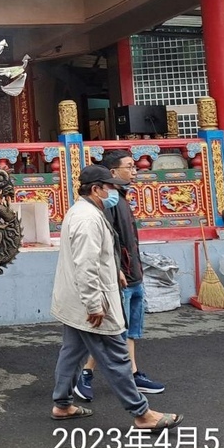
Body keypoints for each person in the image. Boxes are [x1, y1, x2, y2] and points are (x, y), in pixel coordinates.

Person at [51, 164, 183, 432]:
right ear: (96, 189)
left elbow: (96, 257)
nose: (114, 191)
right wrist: (94, 304)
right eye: (110, 187)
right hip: (91, 302)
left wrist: (115, 272)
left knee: (72, 352)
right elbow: (86, 266)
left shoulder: (84, 212)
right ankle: (142, 413)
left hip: (75, 300)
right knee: (117, 355)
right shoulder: (89, 219)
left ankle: (62, 404)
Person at [75, 150, 165, 403]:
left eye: (135, 166)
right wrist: (116, 270)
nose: (134, 171)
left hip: (133, 272)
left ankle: (133, 373)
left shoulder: (121, 198)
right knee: (112, 330)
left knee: (130, 330)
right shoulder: (107, 203)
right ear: (113, 172)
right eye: (129, 167)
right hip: (121, 275)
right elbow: (106, 241)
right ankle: (86, 373)